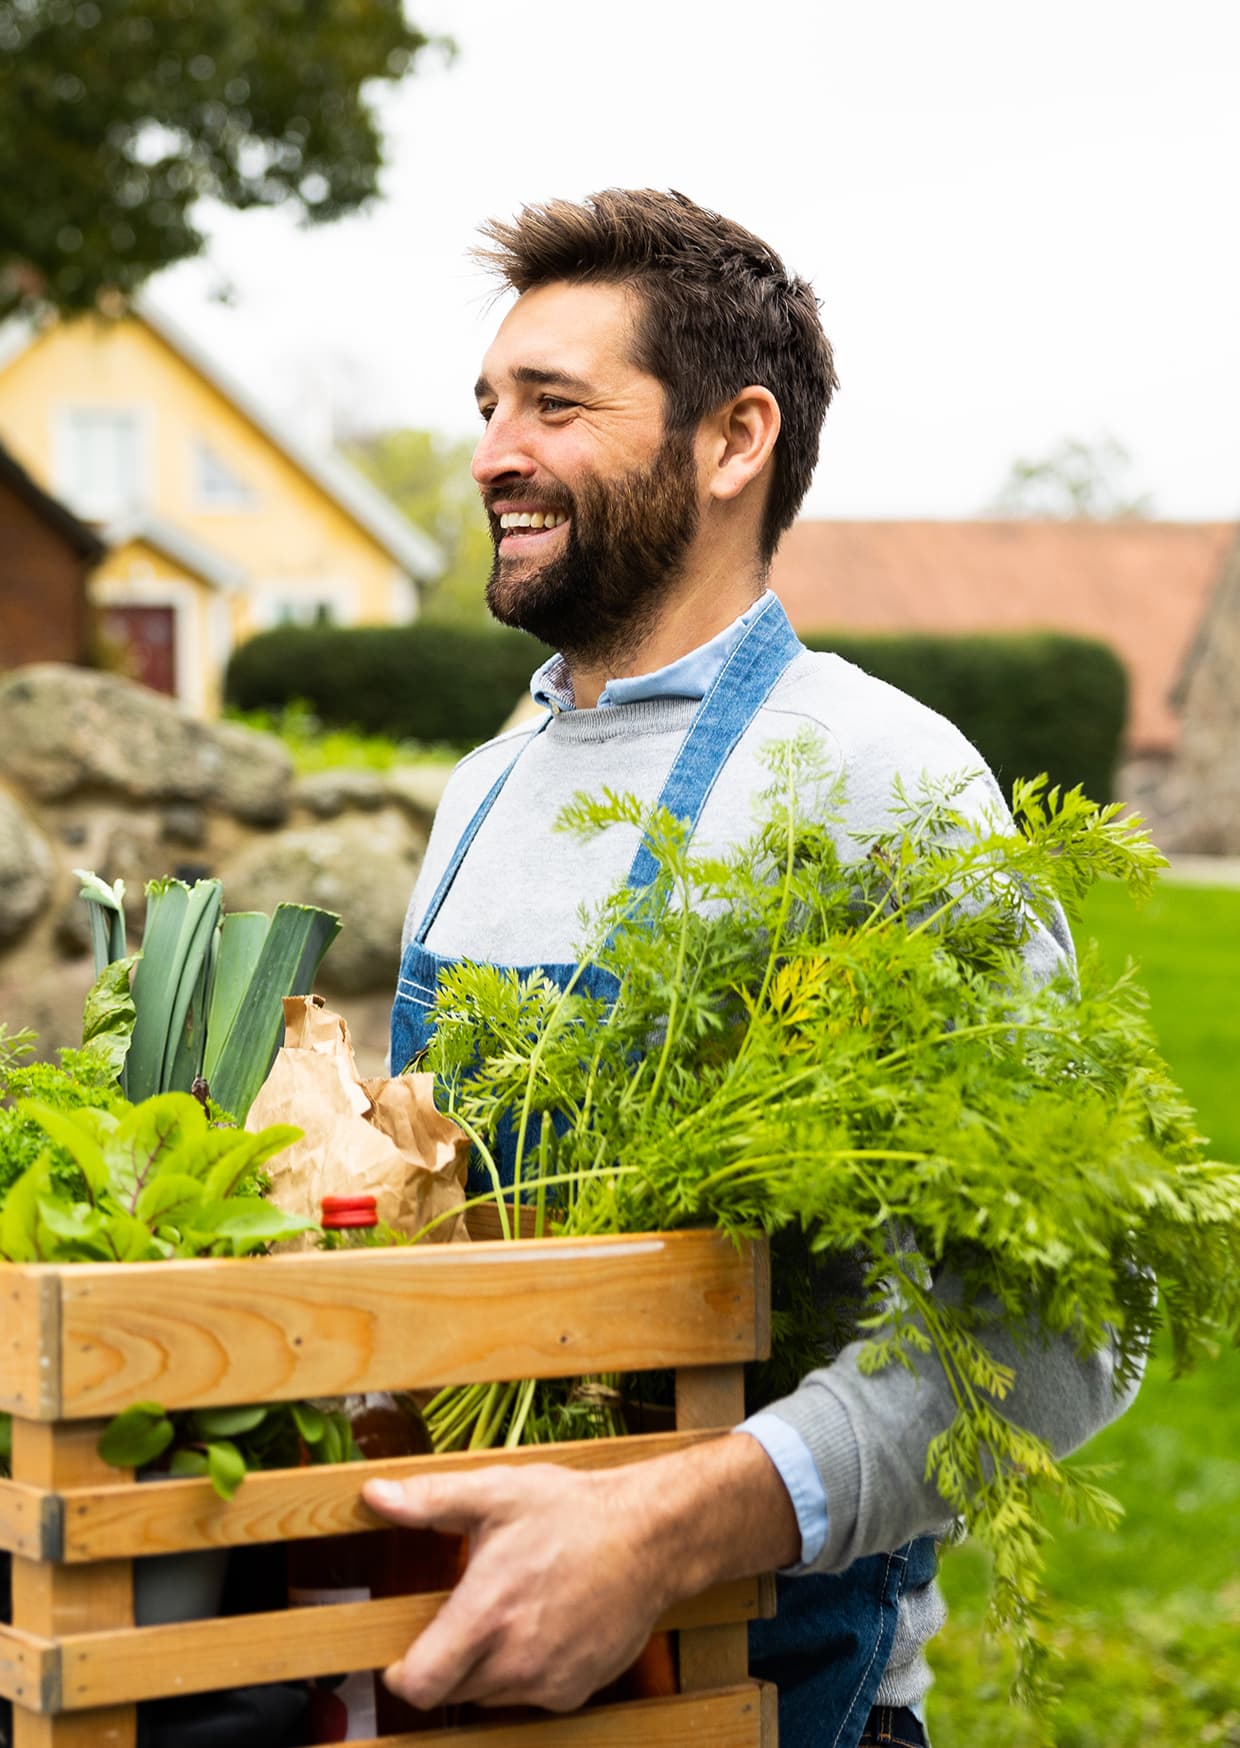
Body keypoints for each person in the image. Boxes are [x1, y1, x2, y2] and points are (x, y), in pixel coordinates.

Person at [364, 189, 1138, 1748]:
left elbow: (1064, 1327)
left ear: (734, 444)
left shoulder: (879, 782)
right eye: (489, 404)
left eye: (556, 405)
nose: (491, 453)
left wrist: (664, 1533)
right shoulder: (487, 783)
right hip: (463, 1664)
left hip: (771, 1699)